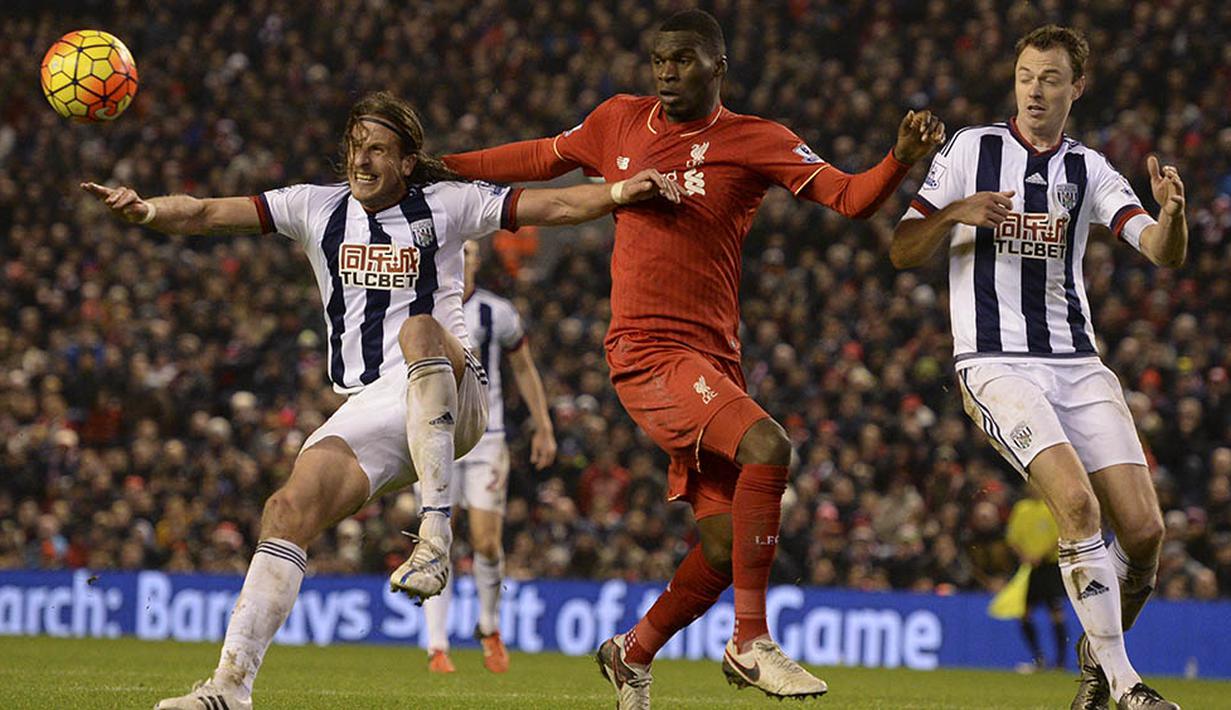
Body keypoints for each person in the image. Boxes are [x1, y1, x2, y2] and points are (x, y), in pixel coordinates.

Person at [82, 91, 679, 710]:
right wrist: (148, 210)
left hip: (456, 386)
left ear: (407, 159)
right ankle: (230, 691)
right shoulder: (315, 207)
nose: (360, 162)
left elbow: (549, 203)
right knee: (287, 509)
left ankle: (435, 536)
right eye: (354, 147)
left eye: (377, 150)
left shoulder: (447, 203)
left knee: (418, 326)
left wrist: (615, 192)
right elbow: (206, 213)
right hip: (376, 402)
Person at [443, 9, 944, 705]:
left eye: (681, 59)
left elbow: (850, 197)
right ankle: (749, 641)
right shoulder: (618, 120)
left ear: (717, 64)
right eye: (658, 61)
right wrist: (442, 167)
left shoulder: (755, 139)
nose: (667, 73)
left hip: (712, 361)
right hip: (646, 351)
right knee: (768, 445)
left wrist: (897, 161)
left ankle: (631, 651)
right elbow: (536, 157)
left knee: (717, 548)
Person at [891, 25, 1185, 710]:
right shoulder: (971, 149)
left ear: (1074, 88)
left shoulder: (1088, 169)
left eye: (1050, 77)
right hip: (994, 364)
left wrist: (1172, 215)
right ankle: (1122, 683)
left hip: (1077, 365)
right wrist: (958, 211)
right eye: (1026, 74)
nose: (1034, 88)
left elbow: (1158, 249)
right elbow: (903, 248)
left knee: (1143, 533)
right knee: (1076, 506)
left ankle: (1095, 656)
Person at [422, 241, 557, 674]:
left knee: (485, 541)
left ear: (477, 261)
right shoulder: (421, 310)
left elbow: (523, 368)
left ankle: (489, 625)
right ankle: (437, 645)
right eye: (455, 251)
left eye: (469, 253)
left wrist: (544, 424)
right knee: (437, 538)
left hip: (487, 438)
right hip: (435, 436)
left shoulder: (496, 312)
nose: (462, 259)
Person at [1005, 486, 1066, 671]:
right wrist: (1024, 555)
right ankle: (1039, 658)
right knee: (1023, 613)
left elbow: (1060, 536)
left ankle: (1060, 662)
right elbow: (1012, 537)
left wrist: (1041, 555)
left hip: (1049, 566)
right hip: (1028, 568)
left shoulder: (1052, 507)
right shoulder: (1021, 508)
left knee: (1055, 613)